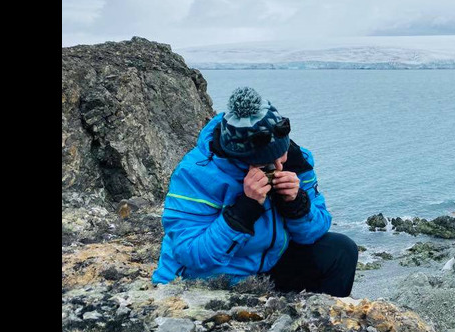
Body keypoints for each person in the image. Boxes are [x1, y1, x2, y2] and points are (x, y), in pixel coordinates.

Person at [152, 86, 357, 297]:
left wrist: (295, 204)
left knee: (341, 251)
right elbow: (192, 255)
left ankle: (321, 321)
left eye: (282, 153)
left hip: (266, 266)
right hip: (205, 278)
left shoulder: (296, 161)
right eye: (266, 163)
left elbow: (315, 231)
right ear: (240, 159)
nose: (278, 166)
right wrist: (245, 209)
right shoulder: (196, 174)